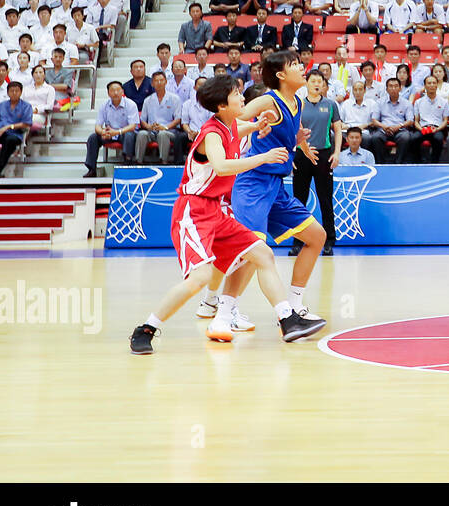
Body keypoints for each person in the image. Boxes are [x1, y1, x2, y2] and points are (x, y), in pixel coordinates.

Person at [129, 74, 326, 354]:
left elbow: (244, 128)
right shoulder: (211, 133)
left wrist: (259, 124)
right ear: (222, 105)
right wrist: (263, 157)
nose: (243, 98)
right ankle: (146, 328)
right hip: (193, 211)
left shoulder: (231, 124)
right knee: (199, 278)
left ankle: (288, 319)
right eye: (237, 94)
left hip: (218, 212)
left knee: (263, 254)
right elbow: (221, 166)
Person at [195, 49, 327, 338]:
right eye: (295, 65)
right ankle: (223, 315)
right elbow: (234, 116)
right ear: (281, 75)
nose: (302, 67)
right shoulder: (269, 99)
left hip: (276, 186)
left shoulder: (298, 102)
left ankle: (294, 306)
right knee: (251, 252)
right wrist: (254, 124)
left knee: (317, 236)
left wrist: (300, 143)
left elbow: (291, 131)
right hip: (253, 184)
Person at [293, 69, 342, 254]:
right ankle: (297, 242)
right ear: (307, 83)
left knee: (325, 199)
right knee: (299, 200)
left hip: (323, 155)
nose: (316, 84)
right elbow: (292, 131)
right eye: (312, 80)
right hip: (302, 155)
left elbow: (337, 130)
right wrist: (291, 155)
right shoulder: (299, 105)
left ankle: (329, 241)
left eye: (319, 81)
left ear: (323, 84)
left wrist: (336, 153)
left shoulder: (331, 105)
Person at [0, 81, 31, 175]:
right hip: (1, 133)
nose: (14, 93)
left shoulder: (26, 106)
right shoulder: (1, 105)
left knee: (9, 142)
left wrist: (9, 127)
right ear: (7, 92)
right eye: (11, 91)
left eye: (17, 91)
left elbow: (26, 124)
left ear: (21, 92)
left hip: (15, 134)